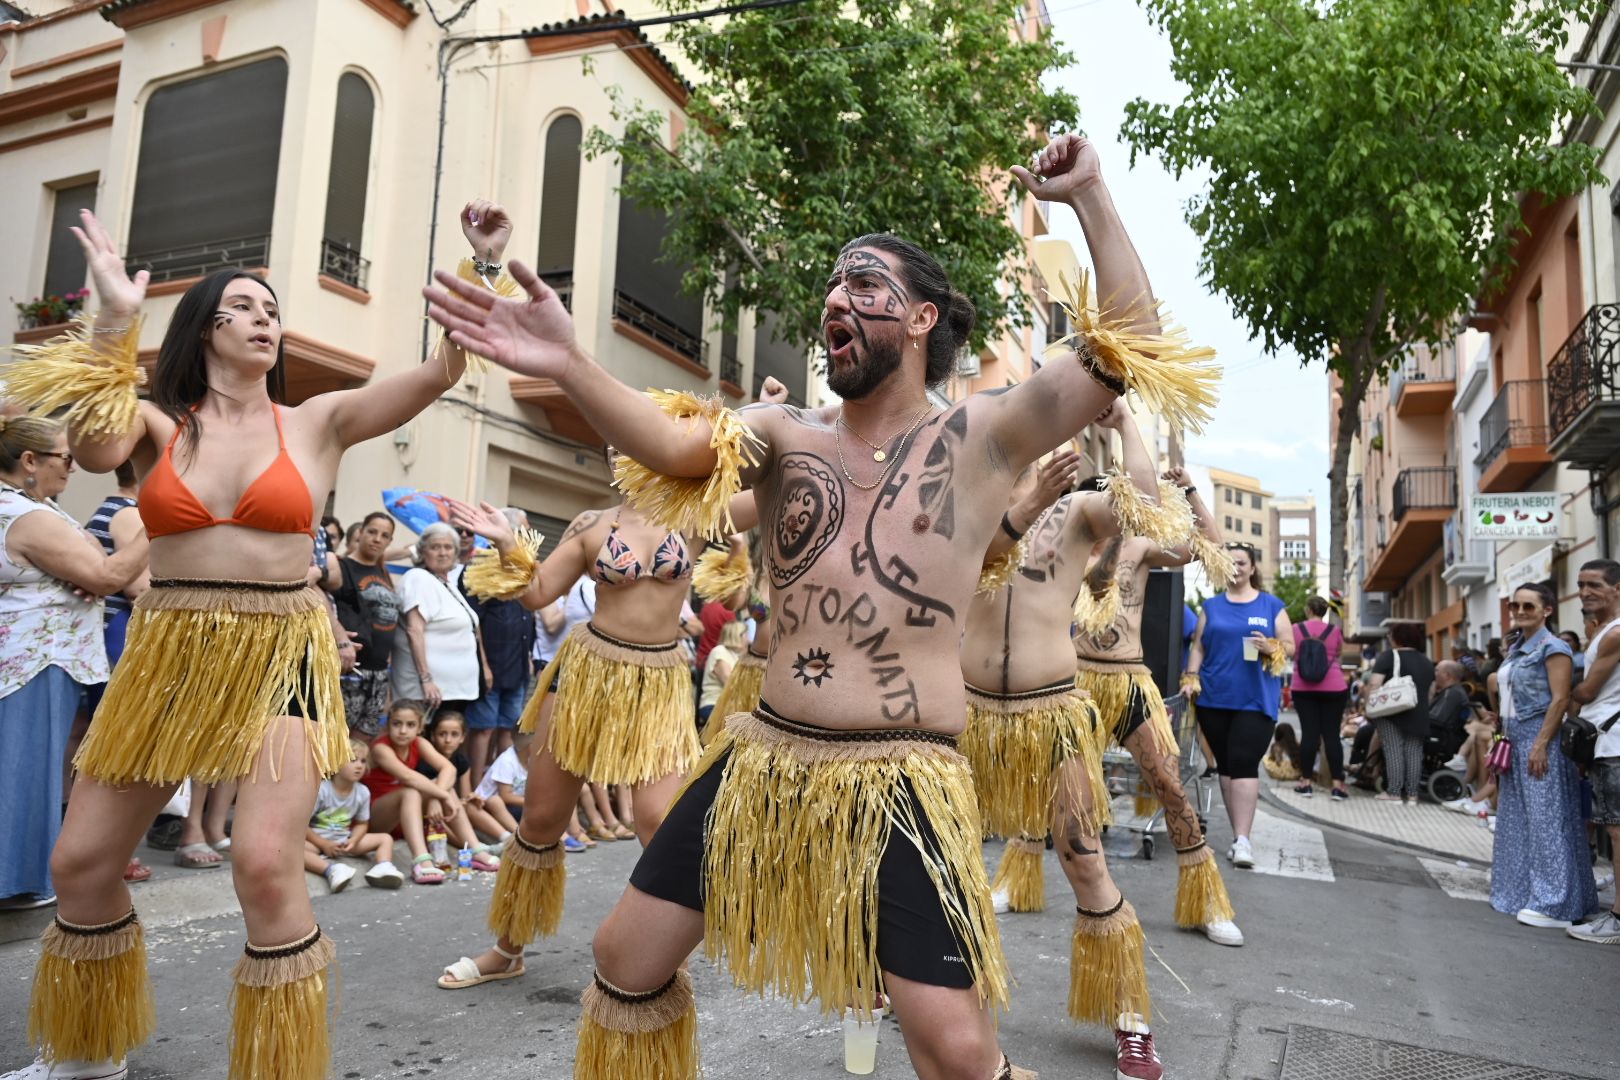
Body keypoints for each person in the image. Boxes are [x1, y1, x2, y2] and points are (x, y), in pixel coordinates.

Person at [425, 132, 1215, 1080]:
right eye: (834, 287)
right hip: (765, 759)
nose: (837, 299)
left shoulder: (985, 436)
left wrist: (1089, 195)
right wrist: (569, 363)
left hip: (901, 781)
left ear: (921, 319)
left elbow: (1127, 341)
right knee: (623, 961)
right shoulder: (783, 434)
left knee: (956, 1050)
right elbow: (672, 453)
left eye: (865, 287)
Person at [3, 198, 501, 1080]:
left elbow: (437, 374)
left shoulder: (317, 421)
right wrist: (114, 320)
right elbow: (90, 444)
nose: (267, 319)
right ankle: (86, 1054)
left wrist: (479, 269)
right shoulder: (160, 425)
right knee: (81, 863)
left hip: (280, 649)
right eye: (246, 307)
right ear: (204, 328)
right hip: (169, 646)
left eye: (275, 309)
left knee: (268, 868)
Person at [961, 433, 1179, 1080]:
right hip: (968, 715)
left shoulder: (1078, 511)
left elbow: (1144, 506)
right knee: (944, 857)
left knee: (1083, 857)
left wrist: (1125, 418)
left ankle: (1132, 1021)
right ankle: (926, 988)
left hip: (1051, 713)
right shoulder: (972, 506)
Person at [1072, 462, 1244, 948]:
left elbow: (1210, 549)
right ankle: (1013, 881)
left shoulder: (1140, 546)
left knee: (1168, 782)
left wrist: (1188, 490)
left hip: (1128, 681)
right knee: (1057, 789)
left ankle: (1207, 901)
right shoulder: (1062, 547)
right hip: (1074, 681)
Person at [1, 417, 148, 909]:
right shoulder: (26, 515)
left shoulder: (33, 509)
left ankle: (21, 877)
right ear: (28, 462)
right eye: (65, 458)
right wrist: (164, 522)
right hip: (34, 660)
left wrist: (86, 571)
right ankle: (16, 882)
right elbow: (108, 573)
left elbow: (89, 556)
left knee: (34, 765)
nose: (72, 468)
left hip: (36, 658)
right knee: (24, 766)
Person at [1490, 582, 1598, 927]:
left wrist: (1540, 743)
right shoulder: (1518, 648)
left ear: (1547, 610)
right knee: (1517, 821)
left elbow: (1560, 699)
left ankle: (1556, 904)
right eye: (1515, 606)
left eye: (1528, 606)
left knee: (1547, 822)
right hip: (1514, 737)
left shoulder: (1554, 648)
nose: (1520, 612)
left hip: (1541, 738)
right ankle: (1522, 893)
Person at [1185, 542, 1293, 868]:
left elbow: (1290, 646)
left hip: (1255, 698)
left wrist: (1270, 645)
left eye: (1242, 563)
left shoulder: (1271, 605)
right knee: (1228, 766)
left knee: (1245, 761)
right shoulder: (1211, 606)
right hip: (1214, 698)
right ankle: (1238, 836)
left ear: (1253, 567)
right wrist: (1190, 677)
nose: (1236, 568)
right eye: (1230, 563)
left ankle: (1244, 841)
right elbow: (1198, 647)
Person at [362, 700, 500, 886]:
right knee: (412, 791)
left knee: (444, 787)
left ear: (420, 728)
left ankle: (475, 850)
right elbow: (408, 777)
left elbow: (448, 769)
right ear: (388, 726)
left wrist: (437, 796)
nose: (403, 730)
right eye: (397, 724)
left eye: (410, 725)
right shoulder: (381, 748)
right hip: (378, 817)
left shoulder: (419, 743)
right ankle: (421, 861)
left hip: (407, 816)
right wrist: (440, 795)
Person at [462, 507, 536, 785]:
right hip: (491, 663)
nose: (529, 534)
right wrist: (483, 665)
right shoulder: (481, 564)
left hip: (518, 664)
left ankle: (499, 786)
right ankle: (474, 788)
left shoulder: (524, 564)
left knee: (507, 728)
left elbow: (530, 613)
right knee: (483, 728)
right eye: (525, 528)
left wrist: (528, 656)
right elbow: (474, 621)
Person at [1568, 559, 1620, 943]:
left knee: (1617, 832)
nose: (1585, 591)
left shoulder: (1614, 633)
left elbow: (1586, 692)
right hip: (1606, 739)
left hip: (1613, 740)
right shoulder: (1603, 632)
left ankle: (1617, 920)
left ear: (1617, 589)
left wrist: (1558, 685)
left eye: (1595, 585)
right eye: (1581, 584)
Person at [393, 521, 485, 714]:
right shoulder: (418, 577)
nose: (442, 553)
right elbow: (414, 630)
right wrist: (426, 679)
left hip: (453, 690)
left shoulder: (446, 583)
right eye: (435, 547)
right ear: (423, 552)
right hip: (428, 692)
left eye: (448, 547)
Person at [325, 510, 401, 738]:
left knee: (363, 740)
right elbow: (323, 605)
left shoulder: (383, 571)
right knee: (337, 738)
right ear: (361, 532)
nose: (377, 539)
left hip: (378, 672)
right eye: (372, 532)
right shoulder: (343, 566)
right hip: (350, 669)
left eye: (384, 535)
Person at [303, 736, 406, 892]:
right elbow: (302, 825)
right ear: (335, 762)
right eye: (353, 760)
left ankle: (383, 867)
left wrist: (354, 840)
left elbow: (362, 823)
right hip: (317, 840)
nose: (359, 766)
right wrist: (324, 844)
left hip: (344, 841)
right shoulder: (322, 789)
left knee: (385, 838)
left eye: (363, 761)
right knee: (294, 850)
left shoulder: (362, 792)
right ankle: (331, 870)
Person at [1364, 621, 1435, 805]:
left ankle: (1394, 793)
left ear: (1396, 638)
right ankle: (1412, 795)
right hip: (1418, 712)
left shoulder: (1389, 657)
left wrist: (1368, 705)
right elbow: (1431, 691)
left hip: (1391, 711)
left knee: (1393, 749)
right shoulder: (1426, 661)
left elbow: (1374, 684)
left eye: (1390, 636)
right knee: (1414, 752)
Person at [1289, 596, 1350, 800]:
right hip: (1333, 686)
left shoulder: (1296, 629)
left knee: (1309, 735)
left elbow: (1290, 652)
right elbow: (1339, 652)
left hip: (1303, 687)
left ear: (1307, 609)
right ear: (1324, 611)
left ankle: (1306, 783)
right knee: (1331, 736)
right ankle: (1337, 786)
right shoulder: (1334, 631)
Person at [698, 617, 748, 726]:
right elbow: (730, 683)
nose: (748, 638)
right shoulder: (720, 652)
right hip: (713, 705)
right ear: (738, 635)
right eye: (746, 634)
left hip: (729, 706)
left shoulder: (736, 655)